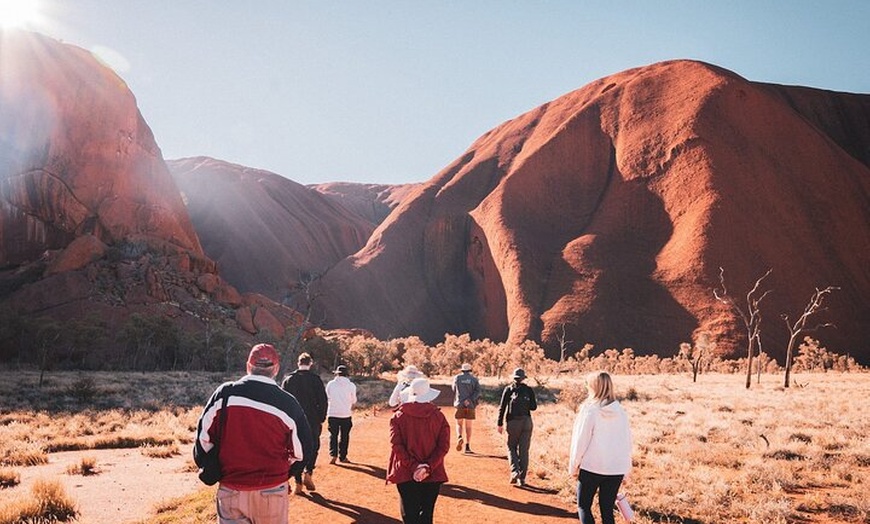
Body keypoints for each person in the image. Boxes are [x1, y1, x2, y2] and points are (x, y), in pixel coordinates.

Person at [194, 343, 314, 524]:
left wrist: (215, 465)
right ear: (276, 369)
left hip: (232, 489)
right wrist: (284, 473)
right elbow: (303, 450)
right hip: (272, 490)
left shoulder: (224, 394)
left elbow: (203, 439)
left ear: (248, 366)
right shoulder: (287, 403)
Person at [569, 371, 633, 524]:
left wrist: (573, 466)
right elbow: (627, 442)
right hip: (616, 469)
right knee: (607, 509)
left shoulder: (589, 410)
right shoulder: (621, 412)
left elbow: (580, 440)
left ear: (593, 387)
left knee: (583, 506)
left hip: (592, 467)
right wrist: (626, 470)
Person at [387, 377, 450, 524]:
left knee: (409, 515)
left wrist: (415, 466)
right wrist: (427, 466)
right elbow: (443, 446)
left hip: (405, 472)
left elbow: (396, 445)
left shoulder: (398, 417)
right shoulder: (439, 416)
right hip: (433, 473)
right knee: (427, 515)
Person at [281, 352, 328, 495]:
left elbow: (282, 401)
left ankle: (298, 482)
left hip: (293, 421)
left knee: (295, 450)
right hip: (312, 420)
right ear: (310, 363)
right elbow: (323, 401)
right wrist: (321, 418)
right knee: (313, 446)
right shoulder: (316, 380)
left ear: (298, 363)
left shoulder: (289, 380)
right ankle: (309, 472)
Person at [496, 367, 537, 487]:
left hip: (513, 422)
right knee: (524, 451)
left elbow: (502, 407)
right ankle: (522, 479)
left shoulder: (508, 389)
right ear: (523, 378)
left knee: (511, 446)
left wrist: (499, 423)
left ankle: (514, 471)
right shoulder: (529, 390)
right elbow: (533, 407)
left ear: (514, 378)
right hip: (527, 422)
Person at [325, 364, 357, 464]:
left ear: (337, 374)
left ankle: (333, 454)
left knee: (333, 435)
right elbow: (354, 400)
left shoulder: (331, 384)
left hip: (333, 413)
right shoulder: (351, 385)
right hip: (346, 414)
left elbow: (327, 397)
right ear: (346, 374)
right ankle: (342, 456)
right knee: (344, 436)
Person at [451, 362, 480, 453]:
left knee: (459, 424)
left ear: (462, 370)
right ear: (470, 370)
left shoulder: (457, 378)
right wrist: (470, 399)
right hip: (470, 405)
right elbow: (478, 392)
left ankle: (459, 437)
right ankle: (467, 446)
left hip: (459, 404)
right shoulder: (474, 379)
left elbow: (453, 389)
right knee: (469, 427)